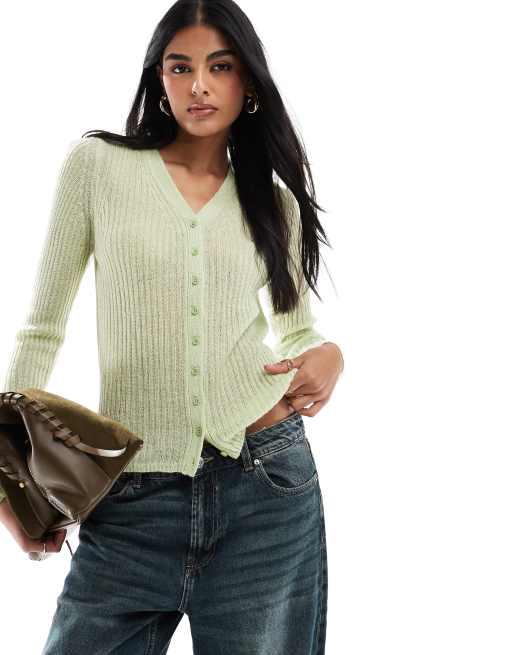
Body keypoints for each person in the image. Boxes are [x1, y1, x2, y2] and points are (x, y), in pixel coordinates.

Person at [0, 1, 343, 652]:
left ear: (247, 83)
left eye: (220, 67)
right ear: (158, 80)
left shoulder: (273, 202)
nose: (199, 85)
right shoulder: (97, 167)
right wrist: (12, 484)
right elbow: (41, 327)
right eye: (179, 67)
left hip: (264, 486)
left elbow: (297, 330)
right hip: (128, 499)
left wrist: (329, 355)